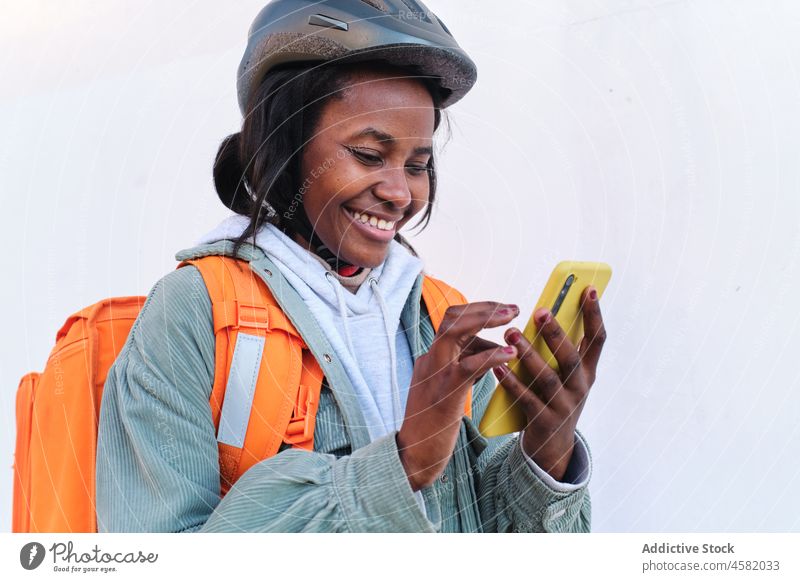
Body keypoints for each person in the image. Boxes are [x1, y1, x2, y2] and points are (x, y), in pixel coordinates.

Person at [96, 0, 606, 533]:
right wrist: (402, 465)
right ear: (284, 148)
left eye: (418, 165)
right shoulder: (196, 310)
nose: (399, 192)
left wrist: (547, 458)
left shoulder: (440, 313)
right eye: (367, 154)